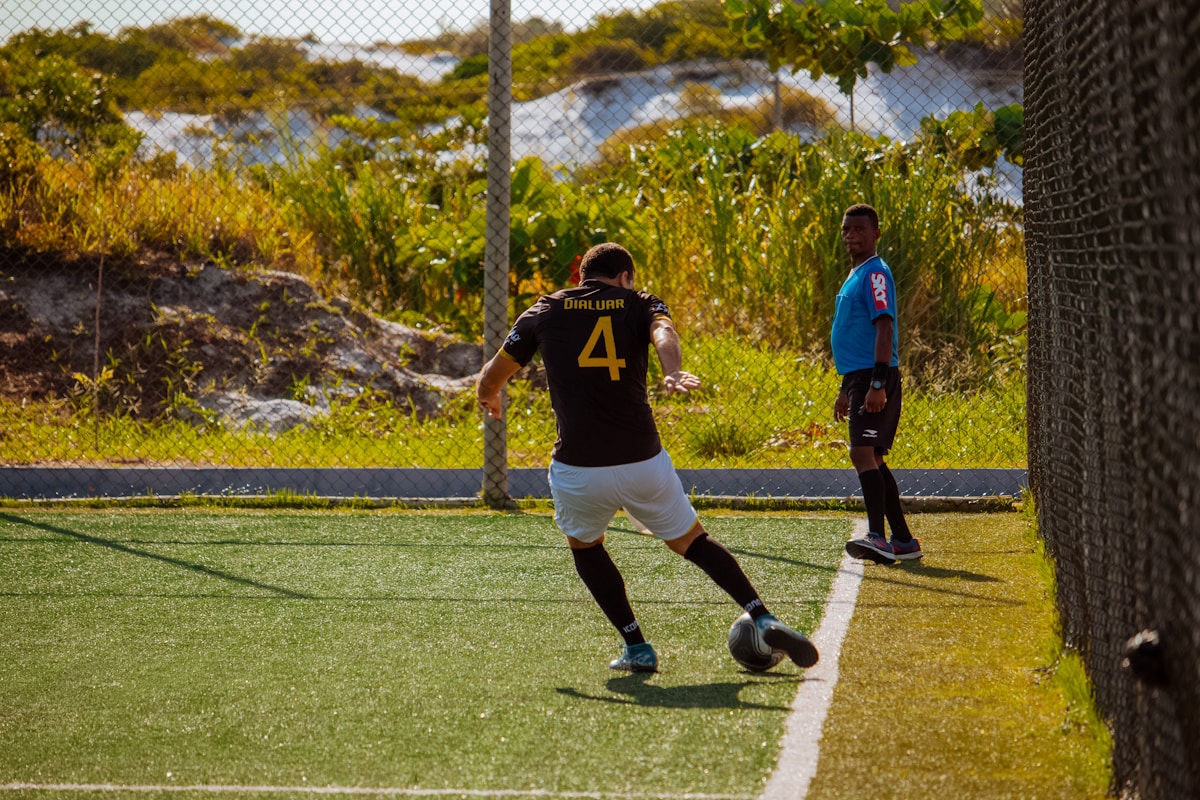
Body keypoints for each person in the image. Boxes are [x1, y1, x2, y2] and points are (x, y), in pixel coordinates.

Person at [477, 242, 818, 673]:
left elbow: (493, 374)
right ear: (625, 277)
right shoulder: (640, 302)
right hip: (642, 461)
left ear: (583, 277)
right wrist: (672, 371)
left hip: (580, 468)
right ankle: (762, 614)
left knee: (586, 547)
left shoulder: (545, 309)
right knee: (692, 541)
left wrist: (487, 397)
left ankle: (636, 646)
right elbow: (664, 333)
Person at [831, 204, 923, 565]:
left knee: (862, 453)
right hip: (858, 376)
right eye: (846, 229)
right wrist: (845, 387)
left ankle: (877, 537)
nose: (851, 235)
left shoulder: (875, 275)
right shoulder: (856, 273)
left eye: (858, 229)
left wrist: (877, 382)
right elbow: (855, 335)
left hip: (874, 375)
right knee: (874, 457)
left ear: (875, 233)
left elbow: (884, 328)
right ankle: (902, 539)